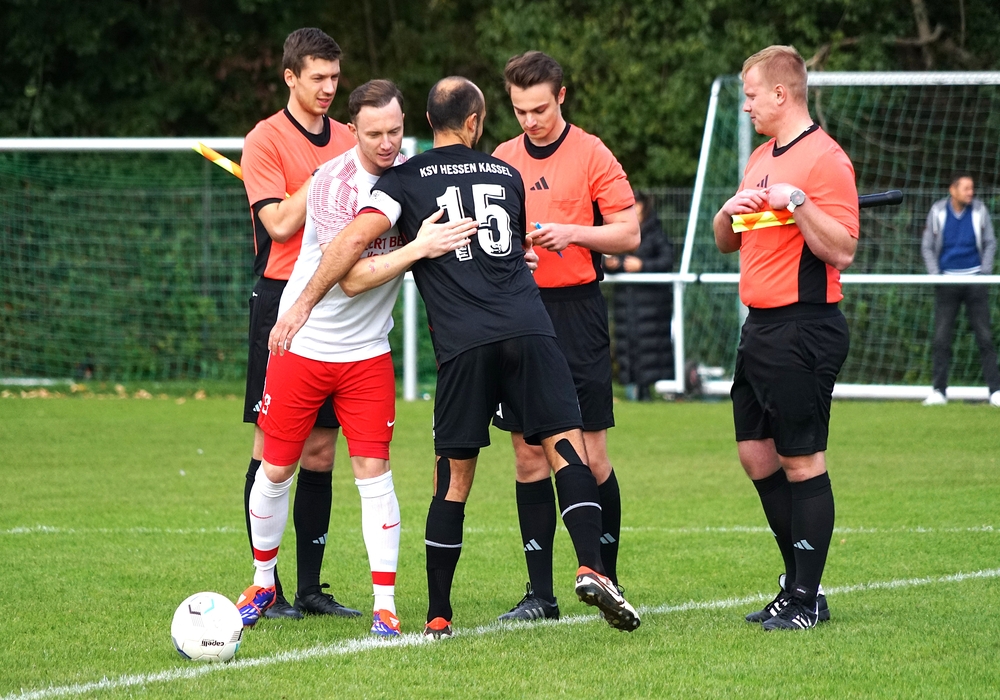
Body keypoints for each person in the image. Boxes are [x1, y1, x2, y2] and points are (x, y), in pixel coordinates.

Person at [269, 76, 641, 638]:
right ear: (476, 121)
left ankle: (438, 615)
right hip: (531, 329)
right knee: (567, 449)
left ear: (425, 121)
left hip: (465, 343)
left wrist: (300, 303)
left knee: (453, 478)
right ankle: (592, 567)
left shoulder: (403, 179)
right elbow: (507, 249)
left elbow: (352, 243)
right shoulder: (506, 173)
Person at [237, 79, 474, 635]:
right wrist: (417, 248)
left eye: (395, 131)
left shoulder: (412, 176)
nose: (386, 143)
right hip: (304, 346)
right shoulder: (331, 183)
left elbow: (448, 242)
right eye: (373, 134)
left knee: (375, 473)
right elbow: (351, 279)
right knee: (276, 468)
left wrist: (503, 266)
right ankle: (263, 582)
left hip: (367, 356)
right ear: (353, 131)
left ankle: (385, 606)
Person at [712, 45, 859, 631]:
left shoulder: (826, 159)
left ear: (781, 93)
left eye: (751, 95)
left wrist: (796, 201)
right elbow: (728, 240)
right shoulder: (759, 157)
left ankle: (805, 596)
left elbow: (843, 249)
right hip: (761, 327)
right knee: (756, 454)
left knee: (801, 460)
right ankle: (798, 585)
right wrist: (728, 210)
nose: (746, 105)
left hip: (805, 326)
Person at [490, 51, 640, 623]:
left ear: (562, 97)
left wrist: (573, 234)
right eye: (520, 110)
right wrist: (515, 255)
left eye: (540, 109)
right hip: (519, 314)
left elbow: (628, 233)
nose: (530, 120)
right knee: (528, 455)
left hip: (577, 314)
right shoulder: (502, 159)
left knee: (590, 454)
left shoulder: (592, 152)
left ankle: (607, 578)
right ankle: (539, 595)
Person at [238, 27, 358, 620]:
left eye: (335, 77)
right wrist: (325, 176)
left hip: (335, 302)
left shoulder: (351, 136)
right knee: (273, 449)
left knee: (320, 451)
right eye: (318, 78)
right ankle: (268, 586)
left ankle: (310, 589)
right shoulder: (264, 141)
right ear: (291, 77)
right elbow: (281, 225)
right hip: (282, 300)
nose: (329, 88)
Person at [919, 174, 1000, 407]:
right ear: (952, 190)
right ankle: (939, 391)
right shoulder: (938, 211)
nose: (970, 192)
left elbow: (990, 242)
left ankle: (995, 391)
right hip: (947, 283)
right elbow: (927, 246)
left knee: (985, 337)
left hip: (976, 282)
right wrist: (935, 275)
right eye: (966, 188)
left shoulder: (979, 211)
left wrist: (984, 273)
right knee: (941, 338)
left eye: (971, 188)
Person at [603, 191, 676, 401]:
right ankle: (632, 388)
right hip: (626, 302)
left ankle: (647, 390)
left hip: (652, 303)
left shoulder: (655, 232)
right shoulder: (619, 231)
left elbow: (667, 260)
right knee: (627, 344)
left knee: (651, 346)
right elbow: (611, 259)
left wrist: (642, 266)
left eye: (637, 204)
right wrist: (611, 265)